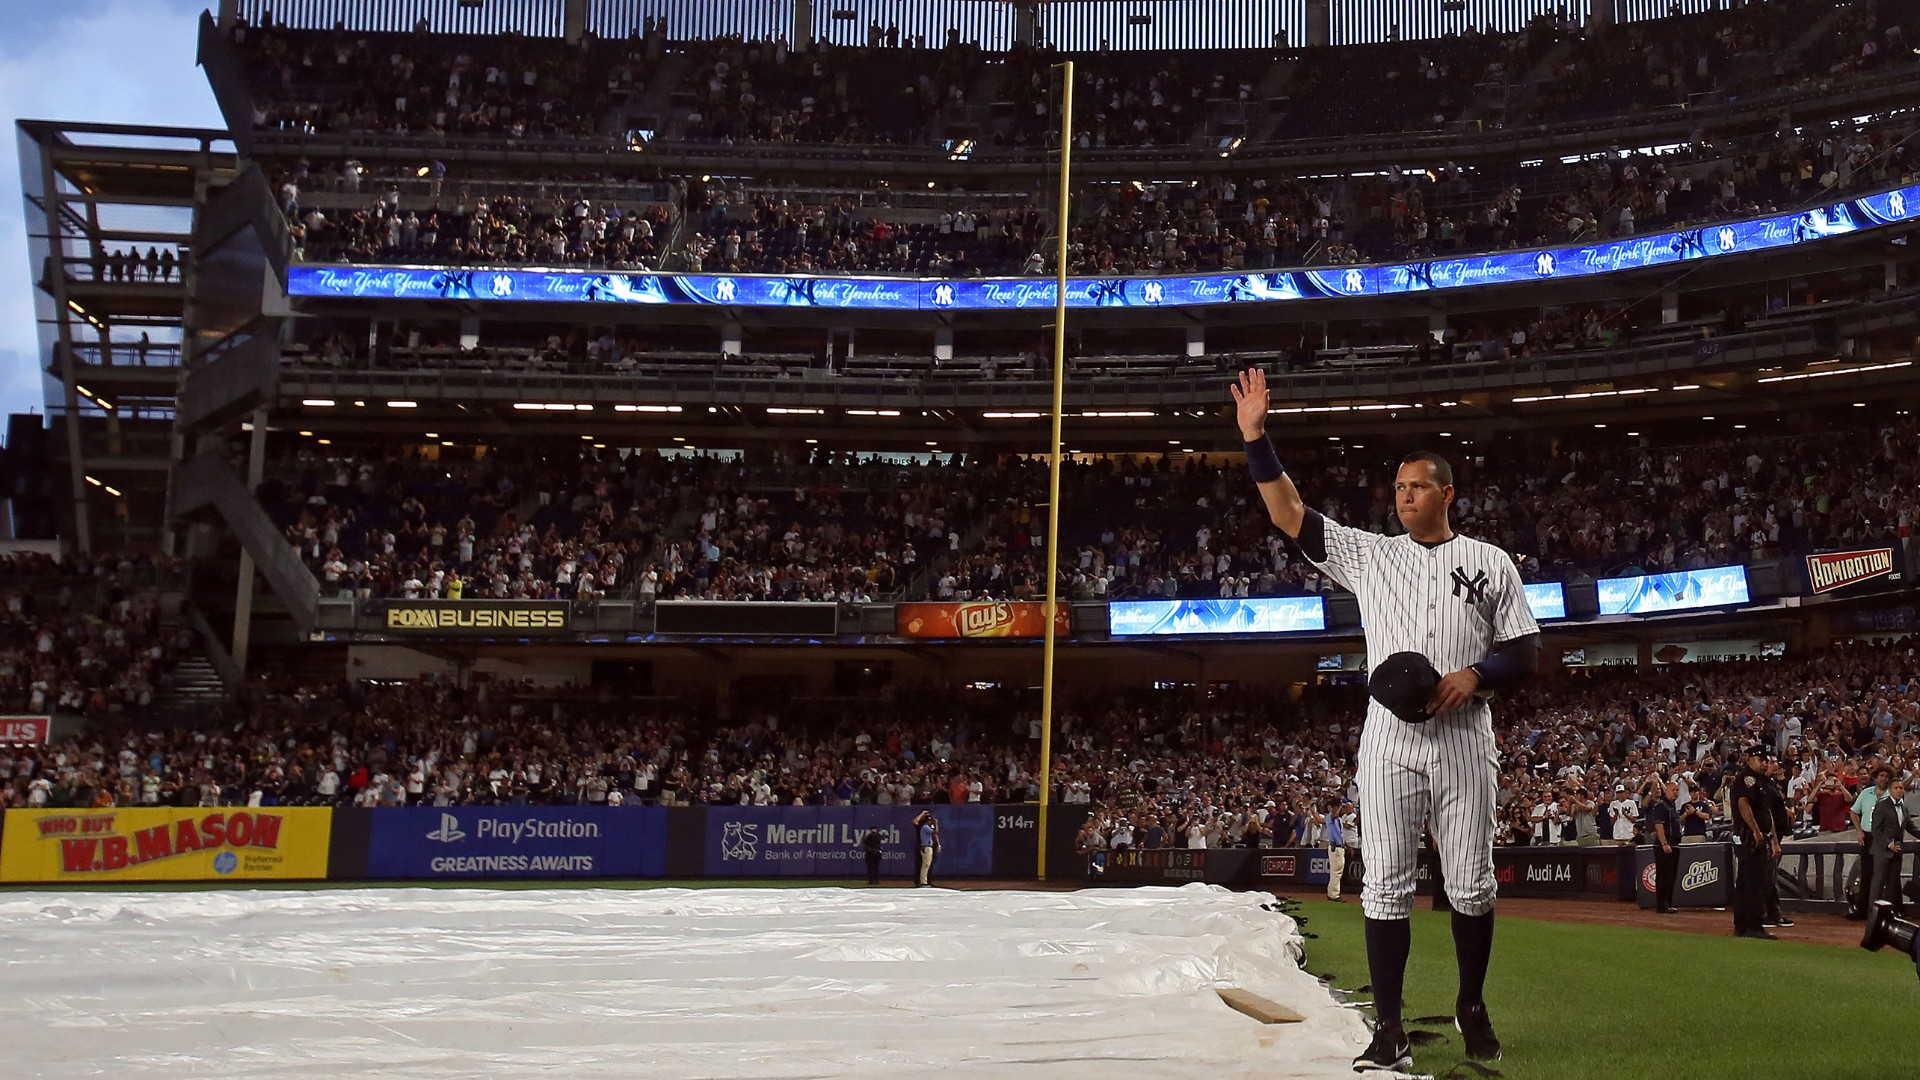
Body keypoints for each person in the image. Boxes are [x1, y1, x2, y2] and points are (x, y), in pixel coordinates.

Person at [1232, 367, 1540, 1071]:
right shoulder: (1371, 555)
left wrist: (1477, 673)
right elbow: (1289, 514)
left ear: (1447, 493)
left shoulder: (1489, 561)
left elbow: (1526, 650)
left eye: (1417, 487)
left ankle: (1471, 1003)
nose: (1404, 497)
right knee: (1385, 885)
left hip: (1463, 737)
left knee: (1470, 884)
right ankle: (1391, 1026)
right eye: (1398, 488)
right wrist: (1255, 437)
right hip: (1390, 740)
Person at [1731, 745, 1779, 939]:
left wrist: (1773, 840)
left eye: (1766, 760)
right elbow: (1743, 804)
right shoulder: (1747, 779)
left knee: (1746, 882)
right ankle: (1753, 926)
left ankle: (1742, 926)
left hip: (1756, 835)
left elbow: (1767, 813)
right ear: (1749, 758)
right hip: (1750, 837)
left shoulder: (1761, 781)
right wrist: (1756, 831)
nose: (1764, 763)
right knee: (1754, 883)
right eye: (1761, 760)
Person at [1868, 780, 1918, 916]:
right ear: (1890, 790)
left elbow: (1911, 827)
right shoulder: (1882, 805)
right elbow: (1876, 830)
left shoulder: (1904, 808)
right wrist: (1889, 844)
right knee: (1878, 883)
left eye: (1901, 788)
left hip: (1897, 851)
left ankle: (1889, 914)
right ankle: (1873, 914)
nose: (1899, 790)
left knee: (1893, 884)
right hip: (1882, 850)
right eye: (1896, 788)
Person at [1849, 768, 1893, 919]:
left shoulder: (1892, 794)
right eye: (1881, 775)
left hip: (1884, 838)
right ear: (1875, 777)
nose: (1884, 778)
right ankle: (1862, 910)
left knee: (1884, 875)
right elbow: (1854, 812)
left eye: (1886, 776)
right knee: (1866, 873)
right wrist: (1859, 830)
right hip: (1867, 836)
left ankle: (1883, 912)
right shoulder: (1865, 793)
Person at [1761, 759, 1795, 929]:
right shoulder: (1762, 785)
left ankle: (1772, 913)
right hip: (1768, 837)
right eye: (1772, 762)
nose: (1776, 765)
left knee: (1771, 876)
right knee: (1767, 876)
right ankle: (1766, 914)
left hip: (1777, 835)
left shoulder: (1770, 783)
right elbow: (1767, 815)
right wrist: (1774, 841)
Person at [1647, 780, 1681, 913]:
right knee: (1664, 876)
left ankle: (1668, 903)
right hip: (1664, 846)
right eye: (1673, 790)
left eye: (1677, 790)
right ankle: (1662, 905)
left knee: (1671, 876)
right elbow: (1659, 825)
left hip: (1674, 845)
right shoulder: (1661, 805)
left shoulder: (1672, 806)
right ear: (1666, 791)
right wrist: (1664, 843)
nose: (1676, 793)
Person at [1324, 797, 1350, 902]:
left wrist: (1347, 846)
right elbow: (1333, 815)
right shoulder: (1330, 817)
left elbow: (1340, 835)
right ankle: (1333, 895)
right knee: (1336, 872)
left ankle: (1332, 893)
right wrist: (1337, 806)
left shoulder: (1338, 819)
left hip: (1339, 847)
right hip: (1335, 847)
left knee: (1336, 872)